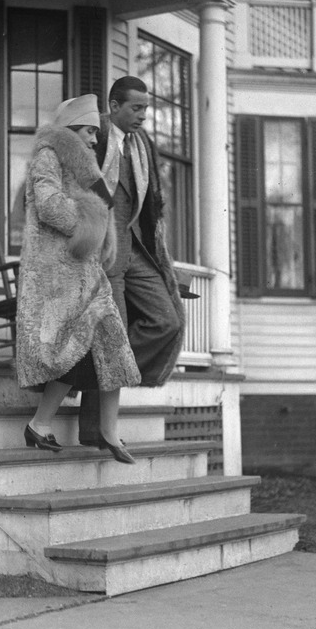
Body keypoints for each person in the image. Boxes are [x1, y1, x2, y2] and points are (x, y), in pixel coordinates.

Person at [16, 94, 142, 464]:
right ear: (71, 129)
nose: (93, 139)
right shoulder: (48, 156)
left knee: (112, 340)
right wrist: (92, 218)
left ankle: (109, 431)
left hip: (82, 267)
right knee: (72, 348)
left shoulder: (83, 166)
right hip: (56, 269)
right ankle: (39, 424)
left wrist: (99, 227)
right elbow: (49, 204)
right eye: (89, 131)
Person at [78, 76, 186, 446]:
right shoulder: (97, 138)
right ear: (114, 106)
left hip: (136, 246)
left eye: (146, 108)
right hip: (103, 249)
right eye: (136, 108)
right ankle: (96, 428)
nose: (143, 115)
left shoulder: (141, 146)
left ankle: (89, 375)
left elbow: (151, 205)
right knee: (113, 336)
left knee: (166, 320)